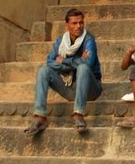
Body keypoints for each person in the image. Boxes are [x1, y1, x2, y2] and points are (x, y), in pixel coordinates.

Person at [23, 8, 102, 136]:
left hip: (91, 89)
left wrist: (63, 61)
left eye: (81, 23)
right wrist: (74, 62)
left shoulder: (88, 39)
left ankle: (79, 115)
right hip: (69, 87)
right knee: (43, 71)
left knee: (83, 68)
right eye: (74, 23)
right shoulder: (61, 41)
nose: (79, 26)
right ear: (67, 26)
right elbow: (50, 61)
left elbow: (87, 63)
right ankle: (40, 116)